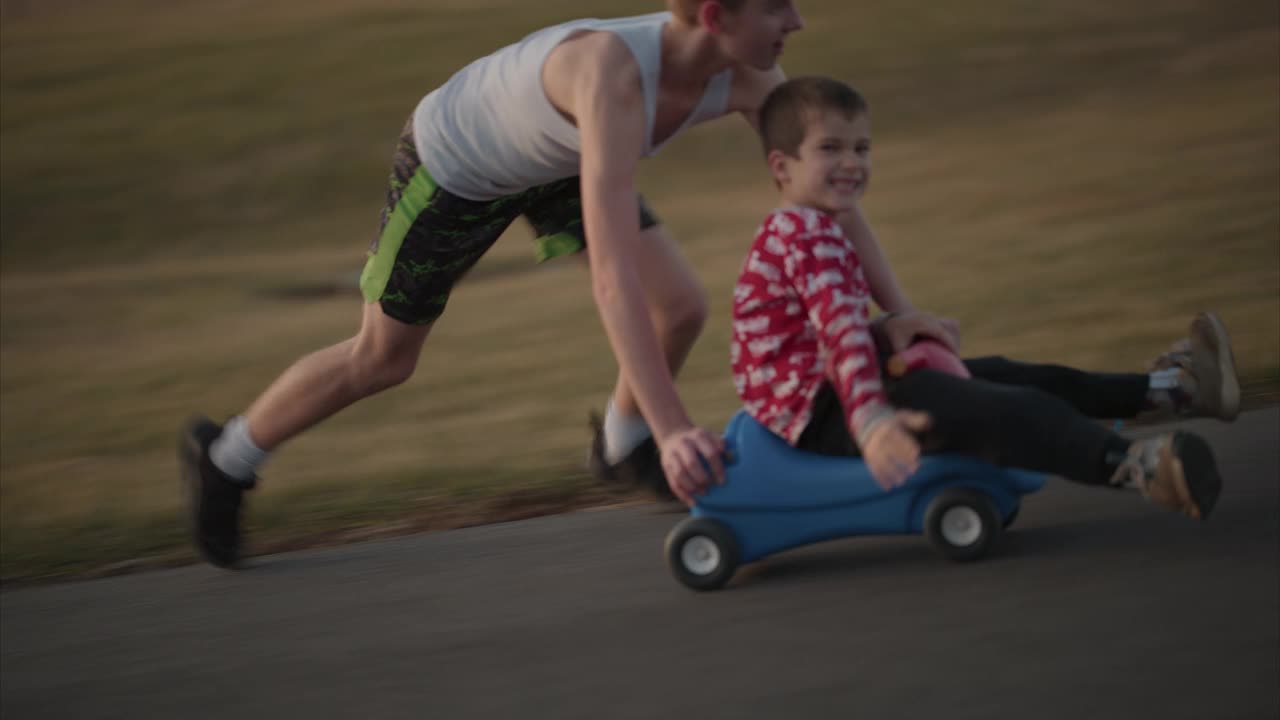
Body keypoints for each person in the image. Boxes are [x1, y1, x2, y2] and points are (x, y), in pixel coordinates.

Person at [180, 1, 816, 568]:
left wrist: (895, 308)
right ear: (715, 16)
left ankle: (623, 443)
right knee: (382, 359)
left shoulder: (754, 76)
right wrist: (676, 427)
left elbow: (820, 190)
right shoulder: (614, 80)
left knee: (678, 306)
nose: (798, 20)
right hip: (458, 165)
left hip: (563, 156)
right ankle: (226, 459)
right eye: (777, 5)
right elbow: (612, 279)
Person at [730, 75, 1238, 518]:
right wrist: (871, 418)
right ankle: (1141, 468)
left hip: (833, 387)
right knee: (1006, 406)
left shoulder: (811, 227)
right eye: (830, 148)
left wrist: (887, 329)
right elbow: (839, 334)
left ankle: (1176, 389)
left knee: (1017, 376)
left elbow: (814, 330)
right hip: (824, 412)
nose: (851, 162)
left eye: (861, 148)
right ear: (782, 167)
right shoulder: (807, 234)